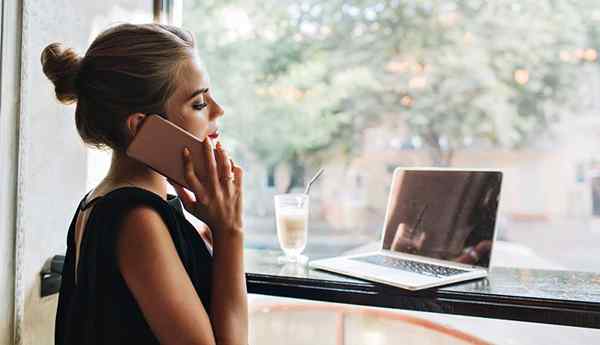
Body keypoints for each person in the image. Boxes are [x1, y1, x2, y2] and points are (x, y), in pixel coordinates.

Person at [42, 23, 248, 345]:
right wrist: (231, 232)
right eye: (198, 103)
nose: (218, 111)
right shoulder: (138, 220)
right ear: (141, 127)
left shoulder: (109, 203)